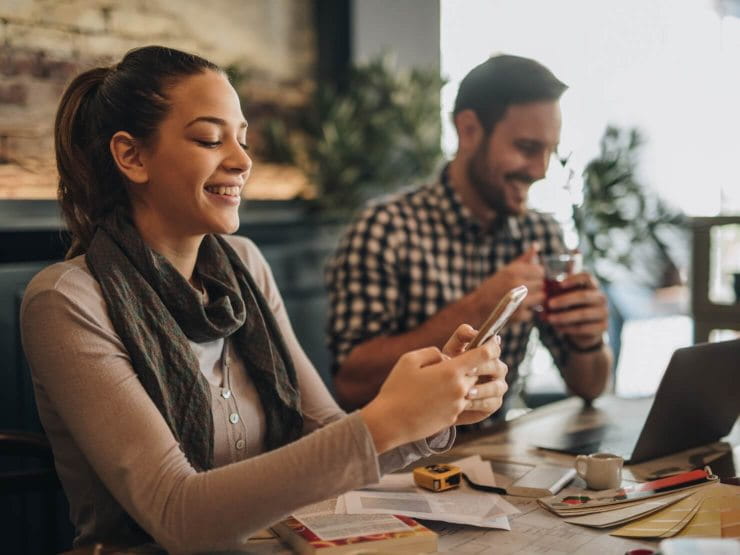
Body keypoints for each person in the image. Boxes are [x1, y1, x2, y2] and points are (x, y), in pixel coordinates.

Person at [20, 46, 508, 552]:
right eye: (210, 139)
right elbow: (178, 514)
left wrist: (432, 411)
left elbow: (326, 432)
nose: (242, 160)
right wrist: (387, 421)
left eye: (243, 139)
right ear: (132, 156)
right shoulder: (67, 301)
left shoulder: (244, 265)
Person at [326, 54, 612, 415]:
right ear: (469, 130)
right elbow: (351, 386)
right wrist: (480, 308)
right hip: (403, 460)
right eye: (526, 148)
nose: (540, 170)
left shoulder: (541, 234)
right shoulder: (385, 228)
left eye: (549, 151)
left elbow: (589, 387)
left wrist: (587, 341)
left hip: (500, 450)